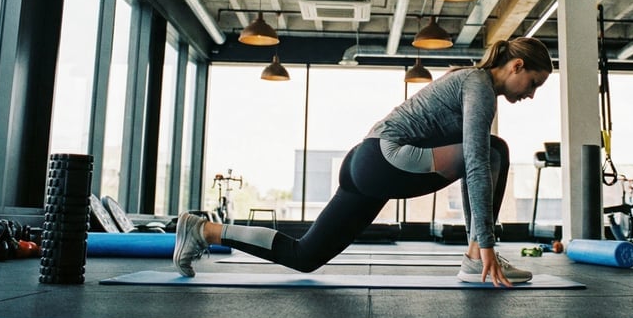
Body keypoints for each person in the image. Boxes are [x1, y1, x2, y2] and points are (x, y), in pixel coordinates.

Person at [173, 37, 553, 287]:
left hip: (366, 162)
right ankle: (475, 256)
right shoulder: (479, 85)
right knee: (494, 150)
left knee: (305, 256)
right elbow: (474, 162)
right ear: (516, 65)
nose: (532, 95)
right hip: (387, 159)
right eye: (534, 83)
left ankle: (203, 231)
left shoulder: (468, 81)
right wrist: (484, 243)